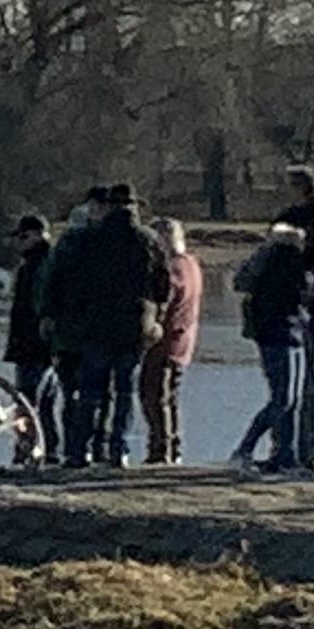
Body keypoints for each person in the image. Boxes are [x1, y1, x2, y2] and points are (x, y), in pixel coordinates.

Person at [43, 183, 164, 467]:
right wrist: (155, 315)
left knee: (90, 391)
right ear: (135, 207)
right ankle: (117, 449)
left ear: (108, 206)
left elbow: (70, 281)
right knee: (124, 391)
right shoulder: (147, 240)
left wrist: (62, 314)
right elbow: (162, 284)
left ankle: (78, 450)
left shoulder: (89, 239)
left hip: (95, 324)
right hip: (134, 324)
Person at [231, 217, 314, 472]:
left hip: (277, 334)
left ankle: (285, 455)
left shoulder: (262, 263)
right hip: (284, 334)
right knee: (284, 399)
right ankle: (245, 448)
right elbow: (303, 294)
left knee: (287, 398)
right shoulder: (289, 264)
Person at [137, 215, 198, 465]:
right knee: (169, 396)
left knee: (153, 396)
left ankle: (161, 449)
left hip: (166, 341)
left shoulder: (172, 268)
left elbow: (166, 298)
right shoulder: (192, 264)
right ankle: (173, 446)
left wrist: (152, 325)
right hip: (184, 341)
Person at [1, 211, 58, 446]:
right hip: (40, 343)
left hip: (32, 343)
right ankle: (47, 445)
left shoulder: (38, 266)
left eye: (23, 236)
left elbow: (33, 307)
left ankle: (28, 445)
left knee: (26, 399)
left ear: (37, 235)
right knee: (44, 400)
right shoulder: (45, 262)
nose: (18, 242)